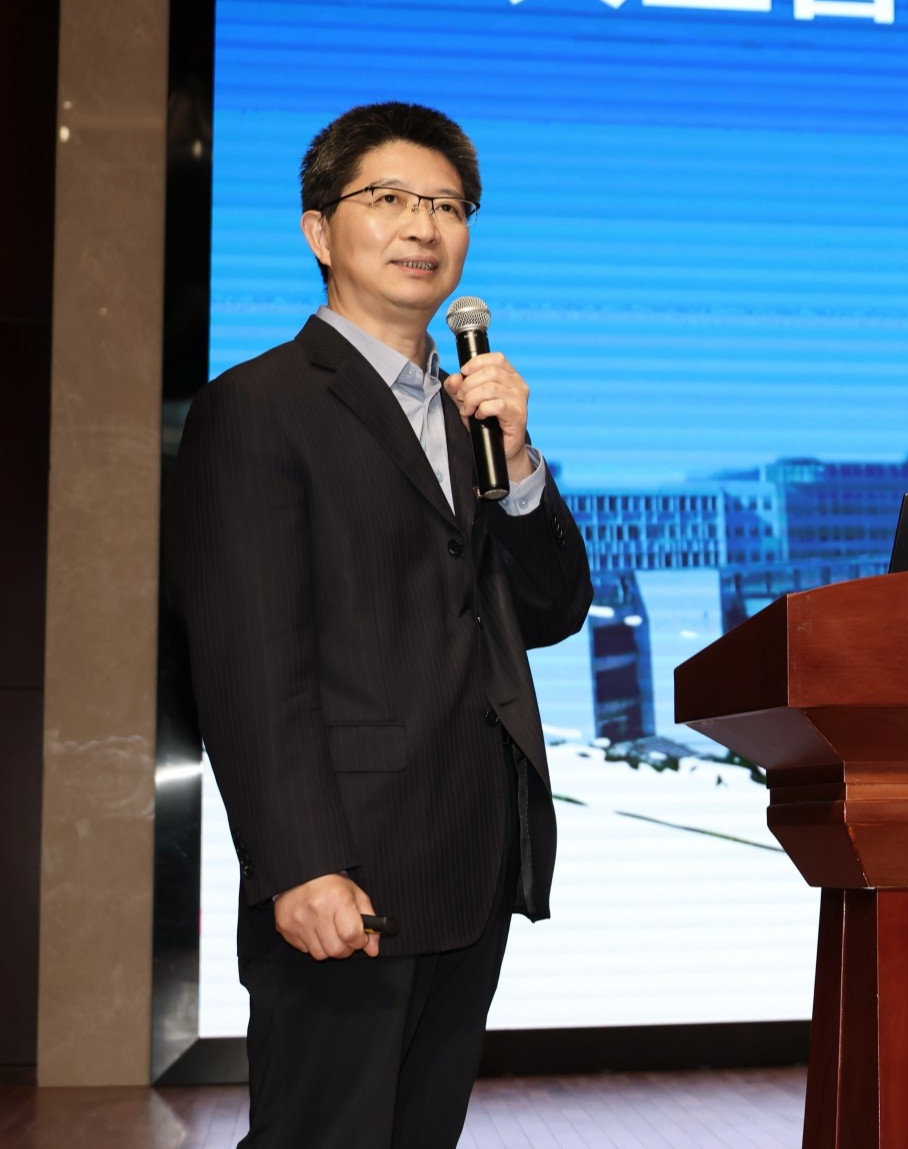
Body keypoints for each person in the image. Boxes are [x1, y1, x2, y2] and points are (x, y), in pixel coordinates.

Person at [167, 102, 593, 1147]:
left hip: (469, 857)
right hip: (345, 865)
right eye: (391, 198)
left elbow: (550, 610)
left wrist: (520, 464)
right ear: (320, 230)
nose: (423, 226)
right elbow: (250, 662)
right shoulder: (259, 405)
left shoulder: (472, 418)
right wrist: (299, 861)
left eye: (448, 206)